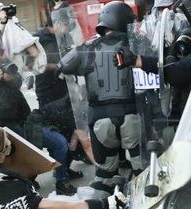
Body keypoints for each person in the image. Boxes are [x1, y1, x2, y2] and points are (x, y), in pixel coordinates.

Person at [60, 1, 142, 187]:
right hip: (133, 116)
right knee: (143, 170)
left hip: (100, 121)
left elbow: (64, 65)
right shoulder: (137, 44)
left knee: (105, 175)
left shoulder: (87, 47)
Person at [36, 18, 81, 196]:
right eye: (63, 24)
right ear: (53, 24)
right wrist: (57, 66)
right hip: (47, 94)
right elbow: (32, 64)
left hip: (65, 90)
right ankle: (60, 176)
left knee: (70, 131)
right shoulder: (37, 40)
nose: (66, 28)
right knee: (58, 136)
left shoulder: (65, 38)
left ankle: (65, 168)